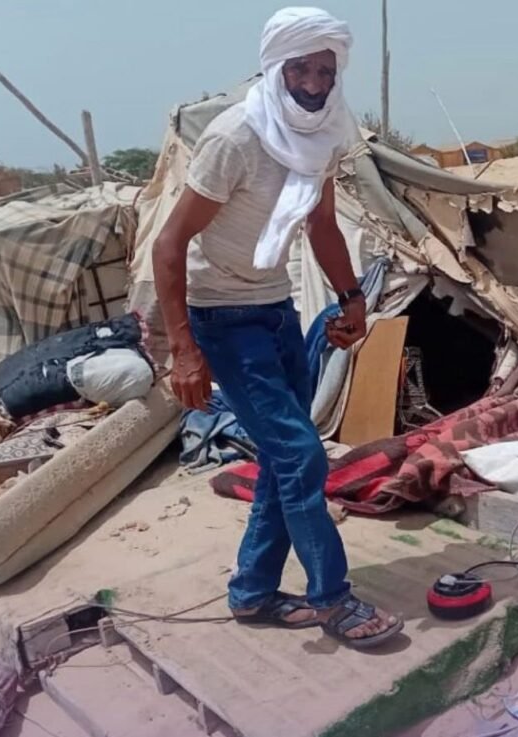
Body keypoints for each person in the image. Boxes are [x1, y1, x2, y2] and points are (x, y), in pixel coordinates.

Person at [152, 7, 403, 650]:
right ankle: (333, 599)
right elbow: (169, 244)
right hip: (221, 317)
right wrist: (183, 350)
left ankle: (253, 592)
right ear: (276, 68)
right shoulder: (236, 137)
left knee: (280, 458)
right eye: (302, 70)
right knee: (300, 454)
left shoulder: (327, 132)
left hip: (274, 307)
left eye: (325, 71)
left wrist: (352, 298)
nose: (314, 83)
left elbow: (320, 224)